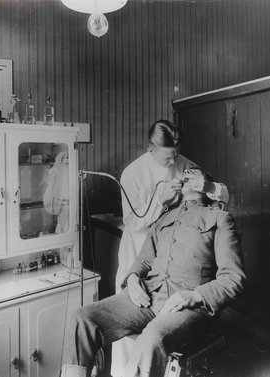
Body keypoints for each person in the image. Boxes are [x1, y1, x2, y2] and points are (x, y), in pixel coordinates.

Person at [61, 168, 246, 377]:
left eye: (194, 175)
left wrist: (194, 296)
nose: (186, 177)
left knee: (151, 338)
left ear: (206, 185)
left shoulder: (220, 218)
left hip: (190, 307)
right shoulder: (164, 218)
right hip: (149, 299)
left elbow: (233, 278)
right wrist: (132, 279)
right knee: (83, 318)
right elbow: (143, 260)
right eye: (185, 176)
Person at [113, 119, 226, 375]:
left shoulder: (187, 165)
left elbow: (219, 195)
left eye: (175, 154)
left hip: (176, 263)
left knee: (162, 332)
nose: (173, 163)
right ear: (150, 149)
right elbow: (132, 223)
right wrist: (161, 202)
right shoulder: (133, 174)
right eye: (167, 158)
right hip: (140, 253)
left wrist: (202, 187)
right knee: (130, 327)